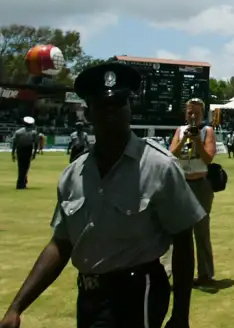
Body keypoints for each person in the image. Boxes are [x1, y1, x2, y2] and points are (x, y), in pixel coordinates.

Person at [0, 62, 204, 328]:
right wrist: (16, 307)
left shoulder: (159, 167)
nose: (112, 113)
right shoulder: (74, 174)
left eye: (119, 104)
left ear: (130, 108)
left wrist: (180, 315)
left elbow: (183, 240)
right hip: (89, 296)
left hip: (137, 293)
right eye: (103, 106)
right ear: (89, 113)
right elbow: (61, 243)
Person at [169, 98, 217, 286]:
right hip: (181, 184)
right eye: (190, 112)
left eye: (196, 112)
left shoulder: (207, 131)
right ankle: (180, 273)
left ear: (202, 114)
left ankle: (205, 274)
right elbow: (171, 154)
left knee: (201, 231)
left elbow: (208, 158)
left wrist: (197, 140)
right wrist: (185, 140)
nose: (193, 116)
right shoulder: (180, 131)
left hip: (200, 184)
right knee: (179, 231)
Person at [11, 116, 39, 190]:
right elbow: (36, 143)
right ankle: (20, 184)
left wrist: (13, 153)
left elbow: (14, 143)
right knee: (26, 167)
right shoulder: (33, 132)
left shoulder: (18, 132)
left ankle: (23, 182)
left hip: (20, 150)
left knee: (21, 167)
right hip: (28, 150)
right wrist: (35, 153)